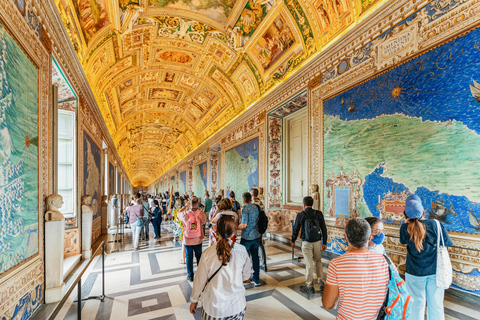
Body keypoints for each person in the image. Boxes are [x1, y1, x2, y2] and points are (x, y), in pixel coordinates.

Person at [323, 218, 391, 319]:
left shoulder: (336, 264)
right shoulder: (386, 261)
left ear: (345, 238)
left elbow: (328, 304)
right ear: (369, 237)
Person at [400, 194, 453, 320]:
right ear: (423, 211)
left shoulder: (404, 228)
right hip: (435, 271)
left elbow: (403, 241)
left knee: (416, 304)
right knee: (436, 304)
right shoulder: (435, 224)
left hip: (413, 271)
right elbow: (447, 242)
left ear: (405, 214)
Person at [190, 216, 251, 320]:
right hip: (237, 306)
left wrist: (194, 300)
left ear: (216, 230)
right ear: (234, 231)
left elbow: (199, 280)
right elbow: (246, 276)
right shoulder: (242, 250)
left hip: (214, 307)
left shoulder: (207, 254)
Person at [291, 196, 328, 293]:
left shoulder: (301, 215)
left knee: (309, 264)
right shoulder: (318, 213)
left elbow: (295, 229)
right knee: (318, 261)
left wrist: (293, 240)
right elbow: (324, 228)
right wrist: (324, 243)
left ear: (303, 204)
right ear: (312, 204)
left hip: (306, 242)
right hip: (317, 241)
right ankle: (321, 281)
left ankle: (310, 285)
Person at [178, 197, 207, 281]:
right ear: (197, 204)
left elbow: (178, 213)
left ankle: (190, 276)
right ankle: (200, 275)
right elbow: (204, 222)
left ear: (190, 203)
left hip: (188, 239)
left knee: (189, 257)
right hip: (197, 239)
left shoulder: (185, 213)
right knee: (199, 257)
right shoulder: (201, 213)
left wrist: (185, 206)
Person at [238, 192, 261, 286]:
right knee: (255, 257)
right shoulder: (256, 207)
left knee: (242, 257)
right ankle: (256, 279)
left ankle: (243, 278)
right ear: (250, 199)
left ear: (243, 200)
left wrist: (234, 227)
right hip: (256, 236)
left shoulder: (245, 209)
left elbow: (244, 225)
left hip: (247, 237)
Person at [250, 188, 267, 272]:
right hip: (260, 227)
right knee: (260, 245)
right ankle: (264, 264)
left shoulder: (252, 204)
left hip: (253, 228)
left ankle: (250, 265)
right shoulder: (261, 203)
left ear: (252, 195)